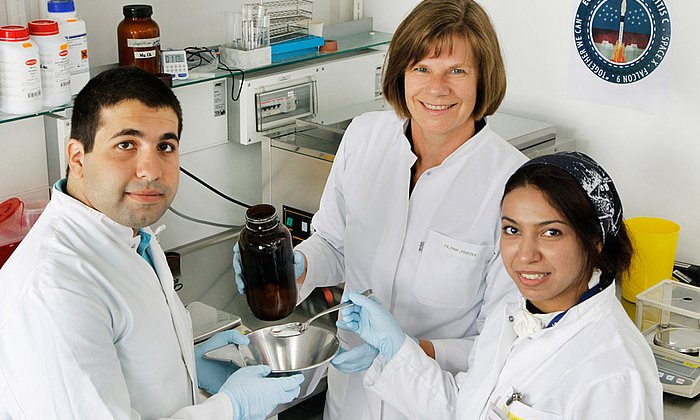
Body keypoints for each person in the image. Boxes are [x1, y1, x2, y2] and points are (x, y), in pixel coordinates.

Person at [232, 0, 527, 418]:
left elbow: (506, 342)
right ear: (401, 74)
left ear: (484, 80)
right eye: (421, 68)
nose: (436, 88)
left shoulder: (514, 186)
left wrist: (402, 351)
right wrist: (295, 266)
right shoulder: (364, 138)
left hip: (434, 402)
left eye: (456, 71)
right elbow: (334, 244)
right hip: (350, 399)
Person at [0, 67, 303, 420]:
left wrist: (187, 360)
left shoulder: (131, 234)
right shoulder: (53, 290)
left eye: (165, 146)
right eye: (126, 144)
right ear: (78, 159)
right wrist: (229, 408)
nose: (151, 170)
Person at [337, 151, 664, 419]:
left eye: (551, 232)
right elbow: (465, 410)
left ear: (595, 241)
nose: (525, 254)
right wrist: (393, 353)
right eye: (512, 230)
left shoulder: (615, 375)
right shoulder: (513, 317)